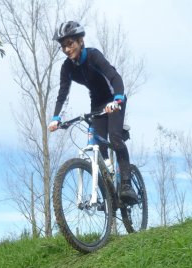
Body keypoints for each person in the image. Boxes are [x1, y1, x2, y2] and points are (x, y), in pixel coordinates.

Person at [48, 21, 137, 204]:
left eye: (70, 43)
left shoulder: (94, 56)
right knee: (98, 143)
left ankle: (127, 185)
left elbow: (114, 77)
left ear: (81, 41)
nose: (66, 49)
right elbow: (63, 94)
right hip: (97, 103)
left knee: (115, 137)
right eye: (63, 46)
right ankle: (110, 186)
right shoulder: (67, 68)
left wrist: (117, 99)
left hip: (114, 97)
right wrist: (56, 118)